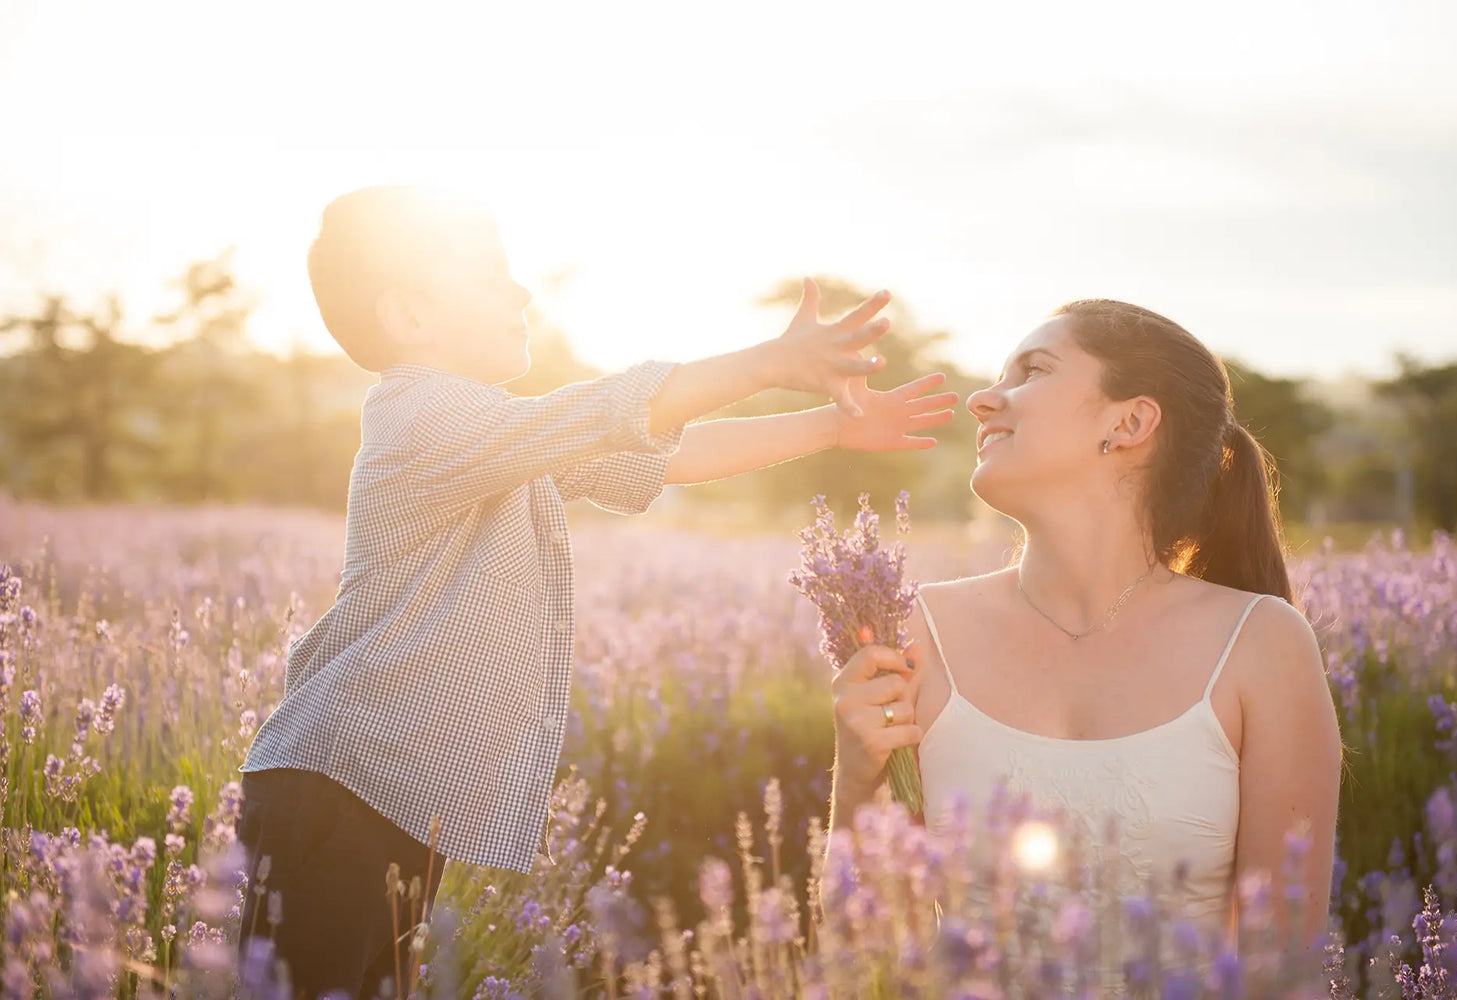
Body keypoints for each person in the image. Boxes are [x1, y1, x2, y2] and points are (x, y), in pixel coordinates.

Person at [235, 184, 958, 999]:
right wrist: (766, 364)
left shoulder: (498, 438)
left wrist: (831, 426)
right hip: (338, 789)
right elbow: (608, 412)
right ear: (409, 317)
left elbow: (661, 454)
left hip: (391, 796)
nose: (521, 294)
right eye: (490, 278)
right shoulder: (425, 420)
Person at [827, 299, 1342, 988]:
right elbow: (856, 957)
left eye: (1032, 370)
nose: (983, 399)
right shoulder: (917, 630)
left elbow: (1282, 973)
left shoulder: (1261, 644)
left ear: (1130, 422)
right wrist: (853, 783)